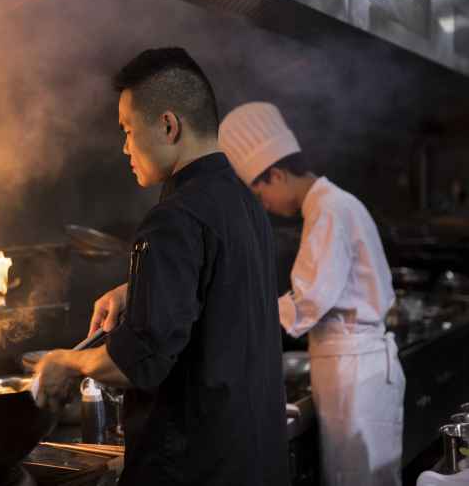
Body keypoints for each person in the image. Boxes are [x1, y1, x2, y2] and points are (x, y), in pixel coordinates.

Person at [34, 48, 289, 485]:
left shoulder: (175, 216)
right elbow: (220, 291)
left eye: (128, 130)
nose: (125, 147)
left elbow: (140, 362)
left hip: (193, 468)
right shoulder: (241, 201)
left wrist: (66, 363)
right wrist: (140, 288)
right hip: (254, 457)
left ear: (169, 125)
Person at [219, 102, 405, 486]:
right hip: (355, 368)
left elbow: (309, 300)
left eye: (260, 194)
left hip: (354, 373)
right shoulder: (332, 203)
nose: (265, 206)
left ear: (275, 174)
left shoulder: (327, 209)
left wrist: (241, 323)